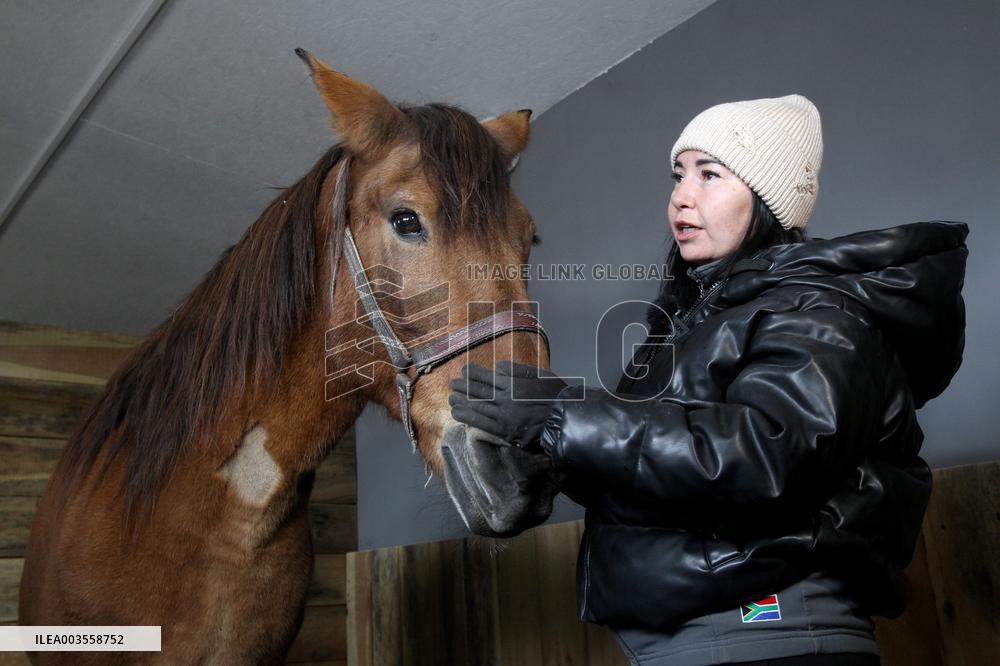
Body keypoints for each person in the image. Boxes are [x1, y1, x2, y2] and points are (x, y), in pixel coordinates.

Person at [449, 94, 969, 665]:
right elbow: (664, 474)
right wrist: (548, 451)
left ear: (768, 199)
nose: (681, 196)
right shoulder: (696, 320)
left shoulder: (820, 315)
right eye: (678, 174)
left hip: (767, 633)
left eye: (710, 174)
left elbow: (763, 459)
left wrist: (564, 414)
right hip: (706, 638)